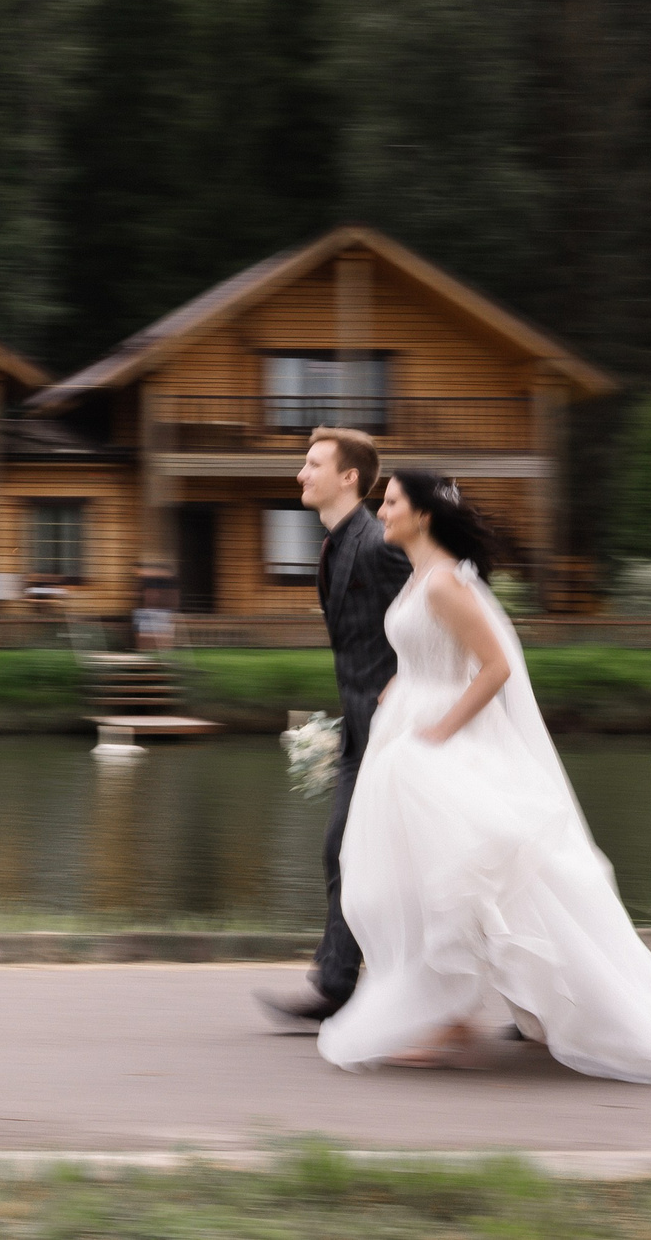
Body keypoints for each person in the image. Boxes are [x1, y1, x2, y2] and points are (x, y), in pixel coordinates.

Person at [316, 468, 651, 1083]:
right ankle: (474, 1012)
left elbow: (494, 670)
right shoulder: (419, 580)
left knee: (465, 881)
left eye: (390, 502)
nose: (380, 512)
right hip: (408, 736)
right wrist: (398, 686)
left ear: (423, 515)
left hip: (444, 743)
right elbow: (432, 654)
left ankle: (461, 1015)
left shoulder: (443, 585)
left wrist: (442, 728)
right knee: (425, 883)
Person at [257, 426, 407, 1027]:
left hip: (401, 731)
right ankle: (336, 983)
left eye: (313, 463)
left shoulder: (379, 545)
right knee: (344, 851)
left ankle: (339, 984)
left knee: (448, 867)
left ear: (349, 478)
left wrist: (407, 685)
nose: (300, 473)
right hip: (360, 731)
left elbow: (441, 613)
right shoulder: (333, 545)